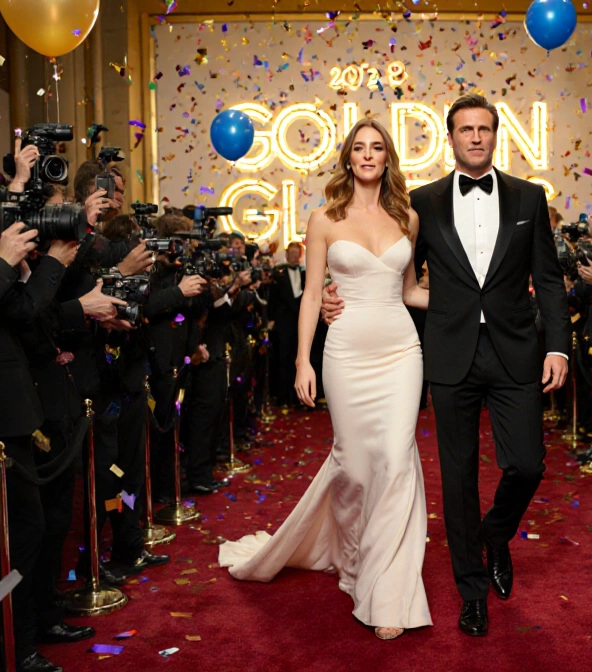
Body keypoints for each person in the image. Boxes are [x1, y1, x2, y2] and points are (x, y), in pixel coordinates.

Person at [324, 93, 570, 637]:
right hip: (449, 352)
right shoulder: (422, 203)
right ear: (451, 137)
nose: (475, 137)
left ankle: (495, 532)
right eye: (465, 129)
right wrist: (332, 297)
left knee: (527, 463)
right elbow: (394, 277)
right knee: (457, 479)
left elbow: (548, 279)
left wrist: (558, 346)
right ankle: (471, 593)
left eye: (484, 129)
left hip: (515, 351)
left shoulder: (530, 197)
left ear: (495, 135)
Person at [217, 117, 431, 641]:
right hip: (346, 354)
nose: (367, 154)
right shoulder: (323, 219)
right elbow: (313, 294)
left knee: (396, 461)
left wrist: (473, 298)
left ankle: (387, 591)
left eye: (376, 147)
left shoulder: (407, 217)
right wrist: (302, 361)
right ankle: (353, 562)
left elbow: (408, 291)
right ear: (348, 158)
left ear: (387, 157)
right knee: (354, 468)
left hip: (402, 351)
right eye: (359, 147)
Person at [268, 241, 305, 407]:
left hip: (301, 324)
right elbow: (273, 300)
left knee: (300, 358)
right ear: (287, 255)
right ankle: (282, 397)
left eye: (298, 254)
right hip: (284, 324)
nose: (295, 257)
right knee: (282, 359)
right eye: (292, 254)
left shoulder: (306, 274)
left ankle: (299, 397)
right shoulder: (278, 274)